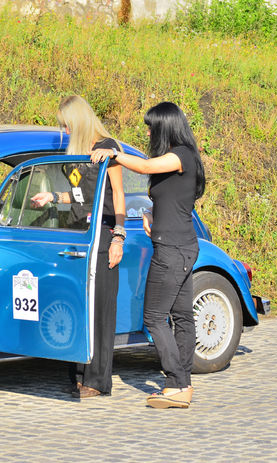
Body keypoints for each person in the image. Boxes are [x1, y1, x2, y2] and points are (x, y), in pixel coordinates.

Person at [91, 101, 205, 409]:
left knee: (154, 318)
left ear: (166, 125)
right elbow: (175, 199)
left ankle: (178, 382)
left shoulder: (181, 155)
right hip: (178, 244)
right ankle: (181, 383)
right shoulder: (179, 159)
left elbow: (143, 167)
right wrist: (153, 213)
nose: (148, 131)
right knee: (181, 316)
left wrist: (114, 153)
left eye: (151, 126)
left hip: (172, 249)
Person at [31, 95, 126, 398]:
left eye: (68, 125)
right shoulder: (80, 154)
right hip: (80, 236)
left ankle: (98, 380)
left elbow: (119, 196)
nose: (65, 131)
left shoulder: (107, 148)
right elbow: (79, 196)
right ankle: (79, 374)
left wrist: (119, 238)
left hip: (104, 234)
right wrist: (53, 198)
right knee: (80, 306)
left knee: (101, 309)